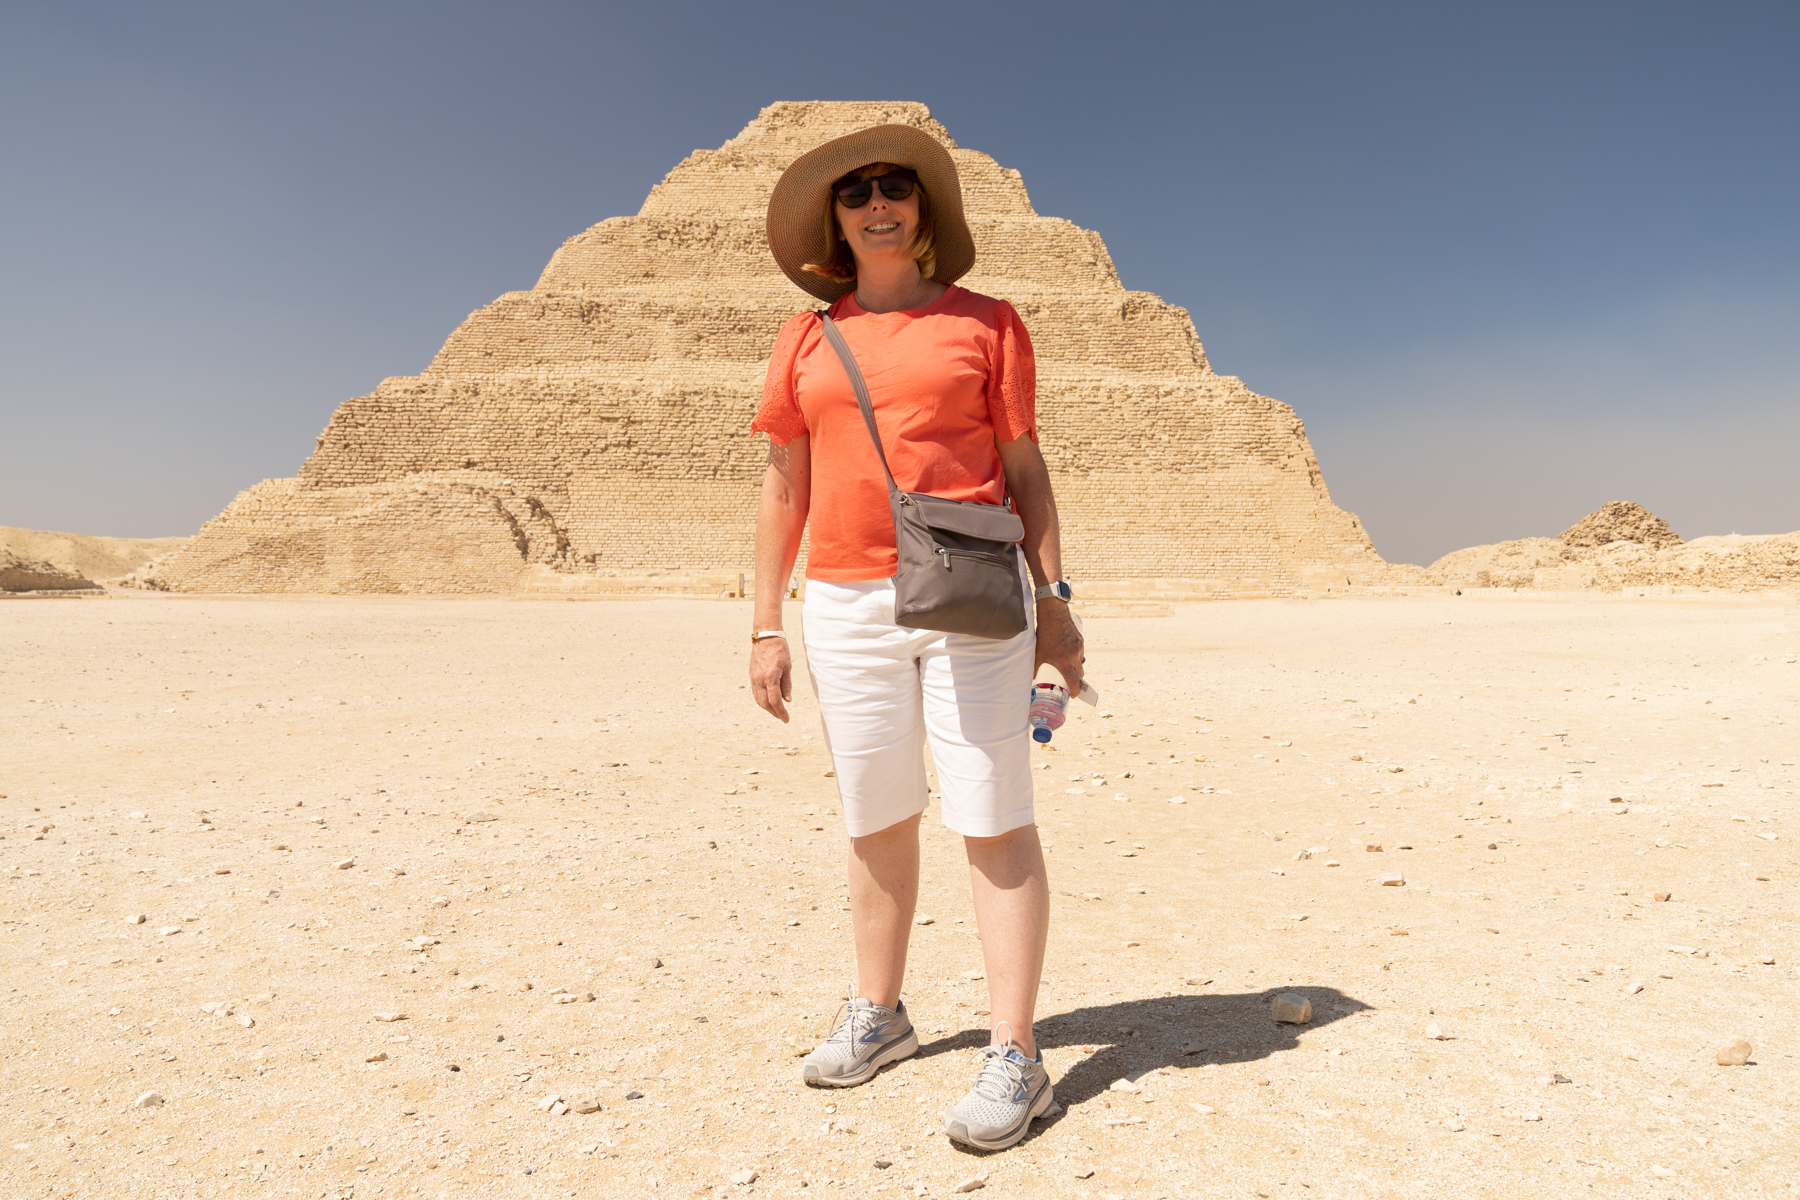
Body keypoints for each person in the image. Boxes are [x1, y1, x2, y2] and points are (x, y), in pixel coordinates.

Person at [747, 124, 1083, 1152]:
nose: (878, 203)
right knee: (876, 815)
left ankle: (1017, 1052)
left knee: (991, 814)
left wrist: (1057, 598)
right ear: (833, 223)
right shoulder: (805, 338)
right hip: (844, 602)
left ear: (925, 210)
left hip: (972, 591)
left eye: (897, 188)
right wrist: (766, 622)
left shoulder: (988, 324)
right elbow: (783, 483)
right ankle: (879, 1012)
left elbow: (1024, 472)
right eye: (856, 194)